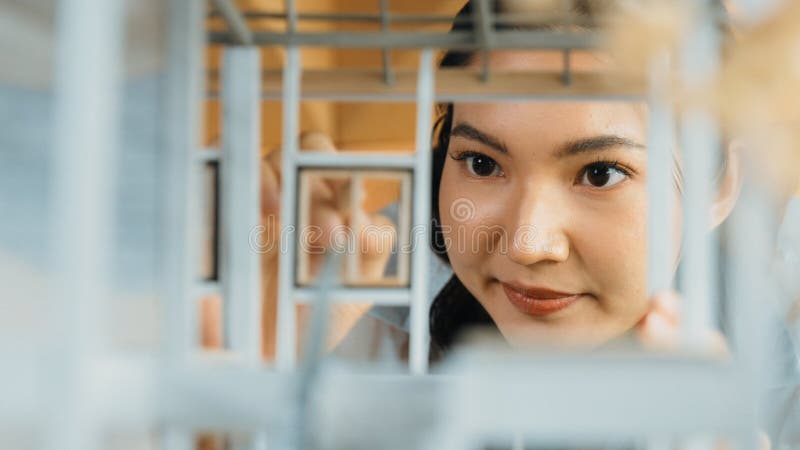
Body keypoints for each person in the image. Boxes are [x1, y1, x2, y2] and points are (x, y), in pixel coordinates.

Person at [204, 0, 799, 446]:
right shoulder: (342, 311)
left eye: (599, 174)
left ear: (717, 187)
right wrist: (237, 401)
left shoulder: (781, 389)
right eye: (482, 163)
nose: (527, 243)